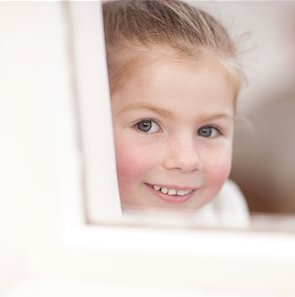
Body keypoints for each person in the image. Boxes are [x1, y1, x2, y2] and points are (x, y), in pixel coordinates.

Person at [103, 0, 249, 227]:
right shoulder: (69, 216)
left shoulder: (225, 207)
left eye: (207, 131)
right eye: (147, 125)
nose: (186, 160)